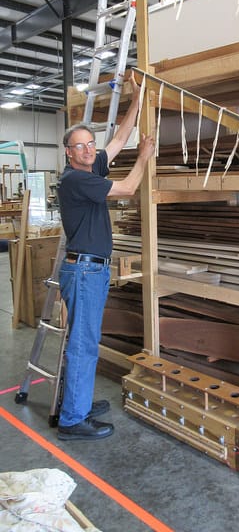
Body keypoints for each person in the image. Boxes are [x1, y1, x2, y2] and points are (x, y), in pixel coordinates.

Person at [56, 71, 155, 441]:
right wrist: (143, 158)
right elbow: (129, 186)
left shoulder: (91, 166)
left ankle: (78, 403)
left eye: (89, 144)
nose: (88, 150)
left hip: (88, 270)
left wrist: (136, 99)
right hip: (83, 272)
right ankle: (72, 420)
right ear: (69, 152)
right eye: (80, 146)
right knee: (83, 344)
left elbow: (119, 139)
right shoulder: (75, 179)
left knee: (85, 340)